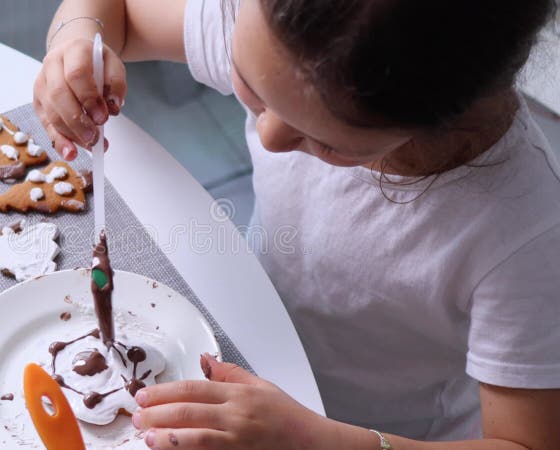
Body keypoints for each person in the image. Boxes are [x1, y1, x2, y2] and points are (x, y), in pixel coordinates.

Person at [35, 0, 560, 448]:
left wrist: (316, 439)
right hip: (250, 343)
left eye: (324, 141)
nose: (268, 136)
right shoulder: (286, 43)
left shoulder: (525, 236)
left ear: (440, 115)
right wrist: (78, 39)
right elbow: (116, 12)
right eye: (250, 88)